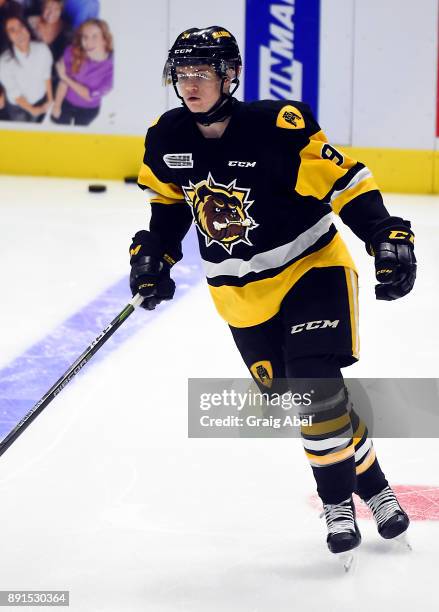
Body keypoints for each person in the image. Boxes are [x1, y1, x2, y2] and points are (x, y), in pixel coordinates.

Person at [129, 26, 416, 560]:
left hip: (311, 270)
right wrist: (154, 255)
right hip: (239, 297)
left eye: (202, 73)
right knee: (315, 404)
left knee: (315, 389)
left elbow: (345, 183)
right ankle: (375, 488)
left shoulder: (278, 128)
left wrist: (385, 234)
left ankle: (337, 506)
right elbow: (166, 208)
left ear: (230, 76)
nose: (190, 84)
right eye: (182, 73)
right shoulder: (167, 137)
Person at [51, 17, 112, 126]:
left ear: (104, 39)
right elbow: (63, 81)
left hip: (88, 110)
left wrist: (65, 77)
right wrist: (57, 105)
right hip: (66, 102)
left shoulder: (113, 67)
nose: (88, 42)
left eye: (94, 36)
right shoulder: (72, 51)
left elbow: (90, 95)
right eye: (85, 37)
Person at [0, 15, 52, 122]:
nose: (19, 32)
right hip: (18, 106)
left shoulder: (42, 49)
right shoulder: (4, 62)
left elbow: (46, 75)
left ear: (27, 29)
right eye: (12, 30)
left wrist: (50, 99)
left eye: (21, 26)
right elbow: (14, 92)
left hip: (39, 99)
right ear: (8, 37)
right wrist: (31, 109)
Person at [28, 0, 71, 81]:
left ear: (61, 11)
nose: (51, 13)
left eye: (56, 9)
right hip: (30, 71)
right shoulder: (30, 22)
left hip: (53, 76)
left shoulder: (66, 29)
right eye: (48, 8)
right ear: (42, 8)